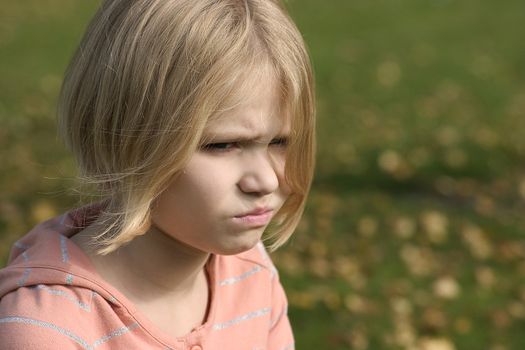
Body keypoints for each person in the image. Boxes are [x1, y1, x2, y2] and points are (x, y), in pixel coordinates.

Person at [0, 0, 315, 349]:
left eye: (281, 141)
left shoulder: (251, 273)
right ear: (124, 135)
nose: (266, 181)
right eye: (223, 145)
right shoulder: (50, 329)